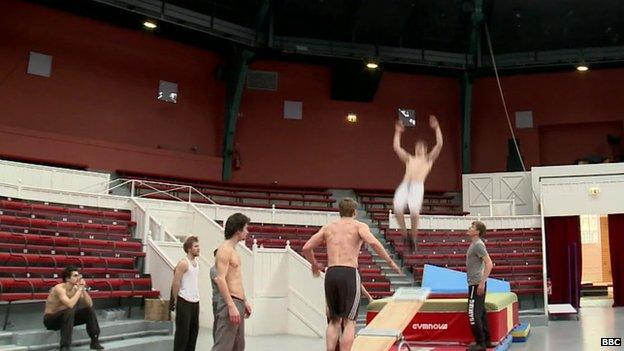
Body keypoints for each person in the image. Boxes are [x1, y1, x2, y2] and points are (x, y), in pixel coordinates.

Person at [302, 198, 403, 351]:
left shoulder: (328, 227)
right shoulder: (358, 226)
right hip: (349, 272)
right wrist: (390, 262)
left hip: (331, 272)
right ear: (355, 212)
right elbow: (374, 243)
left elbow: (307, 247)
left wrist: (314, 264)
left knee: (334, 320)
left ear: (340, 212)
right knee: (350, 320)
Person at [393, 115, 443, 253]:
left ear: (426, 149)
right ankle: (405, 234)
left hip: (417, 186)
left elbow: (439, 144)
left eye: (421, 147)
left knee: (414, 213)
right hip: (405, 185)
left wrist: (437, 128)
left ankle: (413, 237)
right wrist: (398, 132)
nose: (419, 149)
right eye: (417, 147)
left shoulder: (428, 159)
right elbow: (397, 148)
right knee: (397, 209)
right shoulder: (410, 158)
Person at [212, 213, 253, 351]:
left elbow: (236, 279)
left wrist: (244, 301)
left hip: (238, 302)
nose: (247, 232)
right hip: (230, 302)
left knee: (238, 346)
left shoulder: (234, 250)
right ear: (238, 230)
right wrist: (230, 305)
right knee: (223, 346)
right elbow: (220, 279)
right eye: (245, 229)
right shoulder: (224, 250)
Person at [43, 265, 104, 351]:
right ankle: (65, 346)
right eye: (75, 276)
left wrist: (82, 289)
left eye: (78, 275)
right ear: (67, 279)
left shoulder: (76, 288)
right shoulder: (59, 288)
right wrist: (79, 290)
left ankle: (95, 340)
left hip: (67, 318)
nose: (78, 278)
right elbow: (70, 305)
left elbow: (89, 304)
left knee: (88, 310)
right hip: (51, 320)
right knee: (69, 310)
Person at [466, 221, 494, 351]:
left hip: (476, 283)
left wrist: (482, 282)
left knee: (472, 314)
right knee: (481, 312)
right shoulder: (475, 244)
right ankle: (486, 341)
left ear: (477, 232)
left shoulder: (478, 245)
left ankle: (480, 343)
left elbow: (489, 263)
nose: (469, 228)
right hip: (476, 282)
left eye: (472, 227)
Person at [171, 236, 201, 351]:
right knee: (182, 335)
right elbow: (176, 283)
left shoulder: (196, 263)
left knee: (193, 334)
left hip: (195, 302)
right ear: (189, 249)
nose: (198, 248)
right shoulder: (183, 263)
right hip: (184, 301)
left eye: (198, 246)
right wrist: (177, 301)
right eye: (196, 246)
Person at [210, 249, 222, 342]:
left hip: (224, 300)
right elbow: (221, 283)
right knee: (218, 323)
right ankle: (216, 343)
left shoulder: (225, 269)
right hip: (217, 301)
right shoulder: (214, 270)